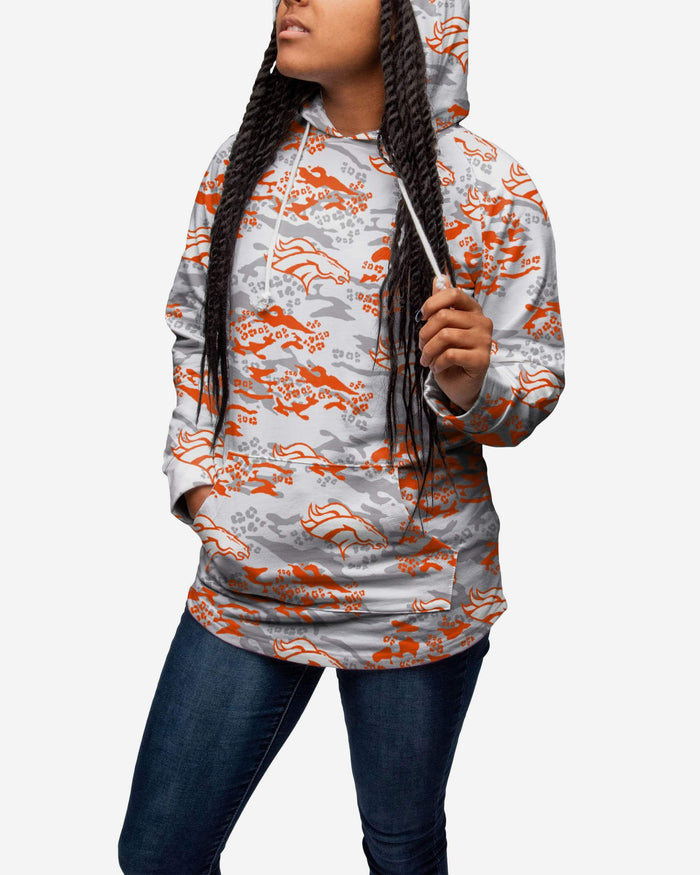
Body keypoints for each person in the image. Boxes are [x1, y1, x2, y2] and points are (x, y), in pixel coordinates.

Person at [118, 0, 565, 872]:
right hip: (246, 584)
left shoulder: (490, 186)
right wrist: (201, 490)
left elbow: (533, 387)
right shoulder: (242, 163)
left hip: (412, 598)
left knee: (399, 846)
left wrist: (472, 382)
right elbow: (192, 333)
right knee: (158, 852)